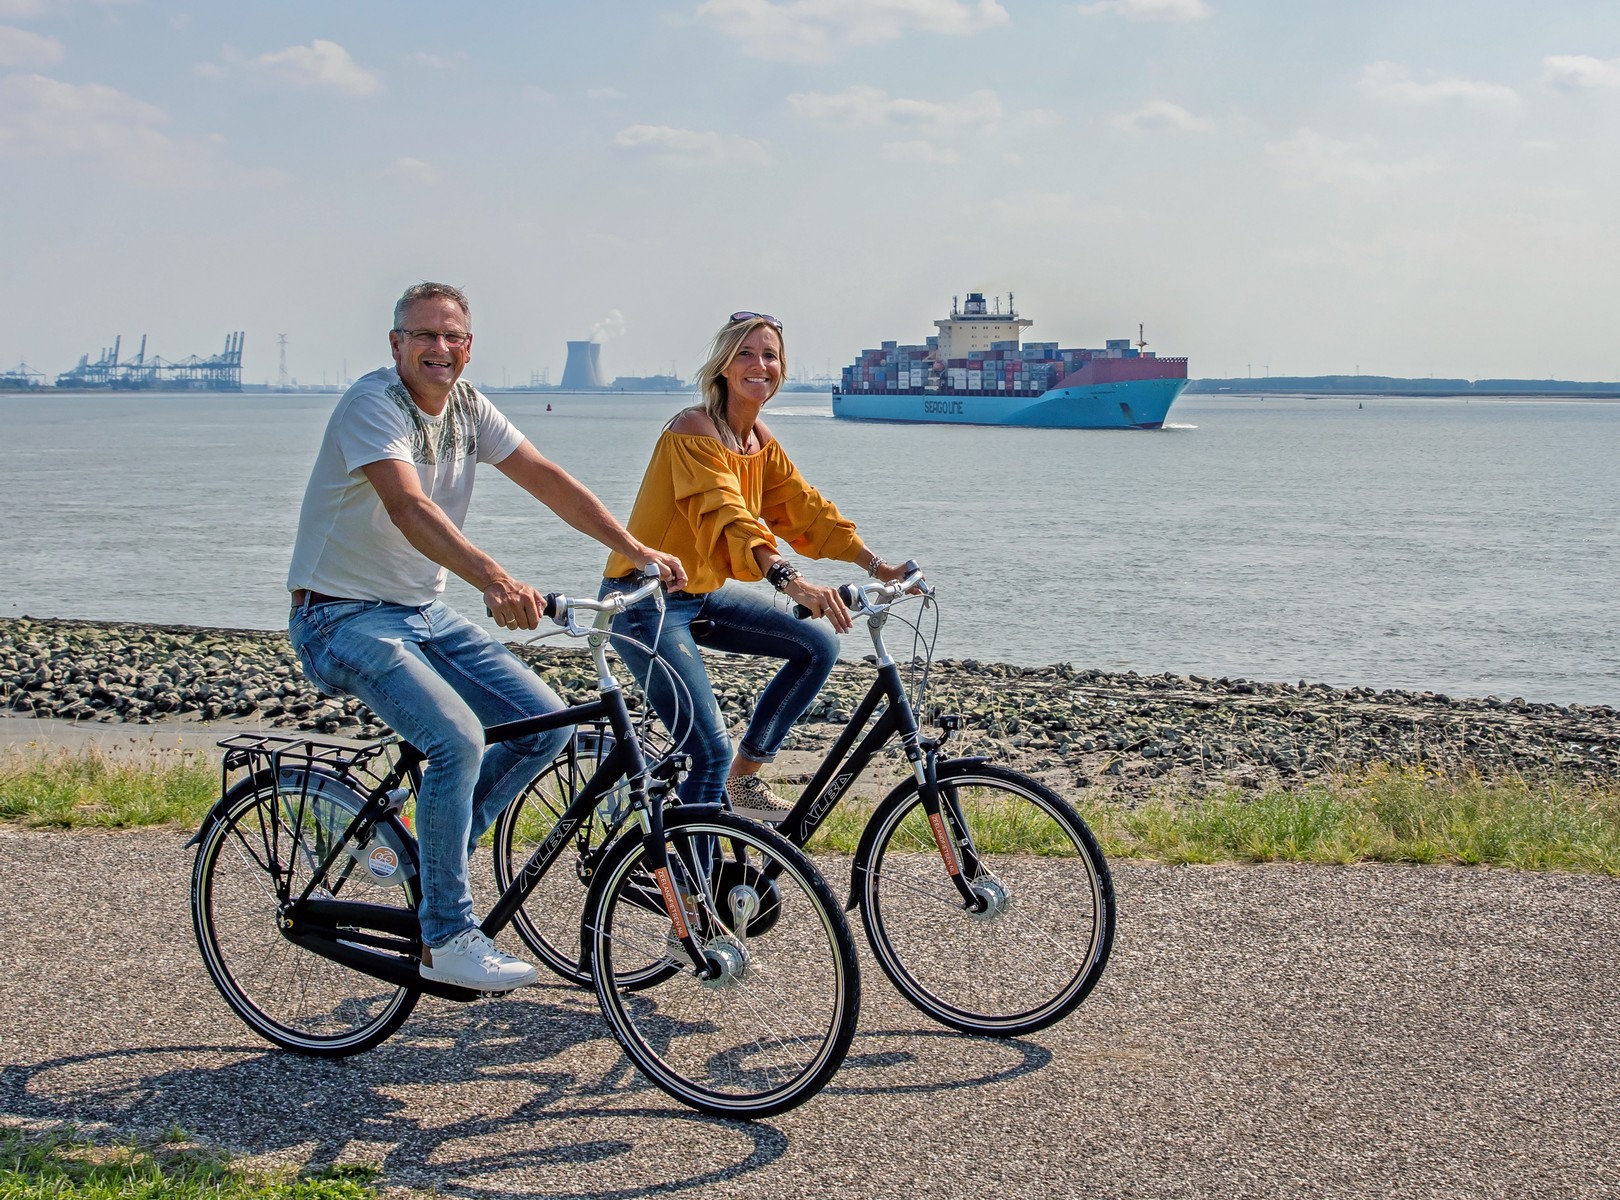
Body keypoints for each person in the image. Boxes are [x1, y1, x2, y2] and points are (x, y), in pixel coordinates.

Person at [287, 281, 685, 991]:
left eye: (452, 337)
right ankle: (446, 935)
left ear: (469, 348)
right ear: (396, 344)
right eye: (424, 335)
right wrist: (495, 580)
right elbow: (408, 506)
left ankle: (431, 859)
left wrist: (635, 550)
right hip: (339, 615)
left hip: (421, 611)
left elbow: (546, 478)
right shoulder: (374, 405)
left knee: (544, 727)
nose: (439, 347)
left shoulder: (468, 407)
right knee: (457, 740)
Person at [601, 311, 910, 823]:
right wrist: (793, 582)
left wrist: (880, 568)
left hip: (697, 593)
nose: (759, 365)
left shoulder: (757, 441)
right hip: (642, 601)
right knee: (707, 752)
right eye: (745, 353)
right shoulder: (692, 430)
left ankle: (743, 781)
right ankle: (693, 869)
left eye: (770, 355)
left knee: (816, 645)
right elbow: (730, 518)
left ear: (781, 369)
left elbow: (807, 511)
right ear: (724, 366)